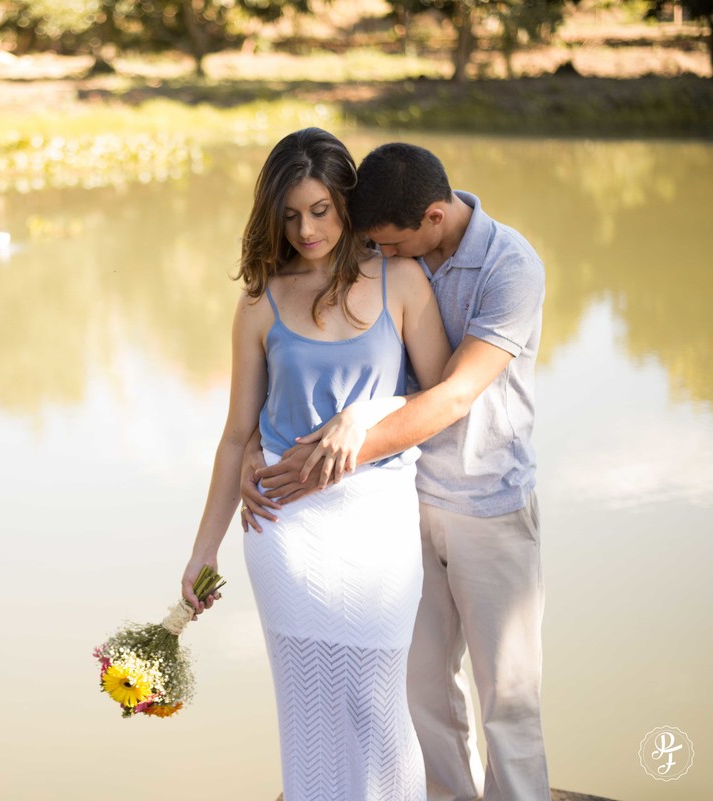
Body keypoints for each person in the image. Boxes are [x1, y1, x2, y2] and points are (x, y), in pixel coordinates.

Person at [240, 142, 549, 801]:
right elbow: (321, 358)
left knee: (509, 697)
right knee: (424, 692)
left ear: (432, 218)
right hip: (403, 503)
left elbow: (455, 393)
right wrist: (253, 446)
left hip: (486, 502)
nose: (379, 253)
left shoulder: (510, 268)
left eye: (388, 242)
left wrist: (363, 418)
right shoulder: (393, 252)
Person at [180, 128, 451, 801]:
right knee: (306, 707)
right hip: (284, 526)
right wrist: (202, 551)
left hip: (376, 520)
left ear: (346, 204)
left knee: (376, 701)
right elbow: (235, 431)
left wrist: (366, 413)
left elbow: (444, 393)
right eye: (292, 214)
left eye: (321, 210)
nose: (306, 228)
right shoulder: (258, 303)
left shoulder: (402, 278)